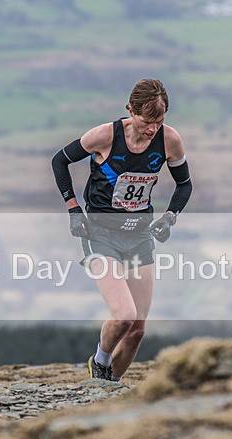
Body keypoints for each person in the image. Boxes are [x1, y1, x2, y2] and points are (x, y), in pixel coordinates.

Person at [51, 78, 193, 381]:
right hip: (101, 233)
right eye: (146, 121)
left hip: (139, 235)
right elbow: (59, 162)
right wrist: (74, 209)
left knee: (137, 329)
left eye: (160, 120)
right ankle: (99, 362)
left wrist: (170, 216)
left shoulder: (170, 140)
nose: (152, 128)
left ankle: (108, 388)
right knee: (124, 316)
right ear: (130, 110)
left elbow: (185, 184)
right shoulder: (104, 136)